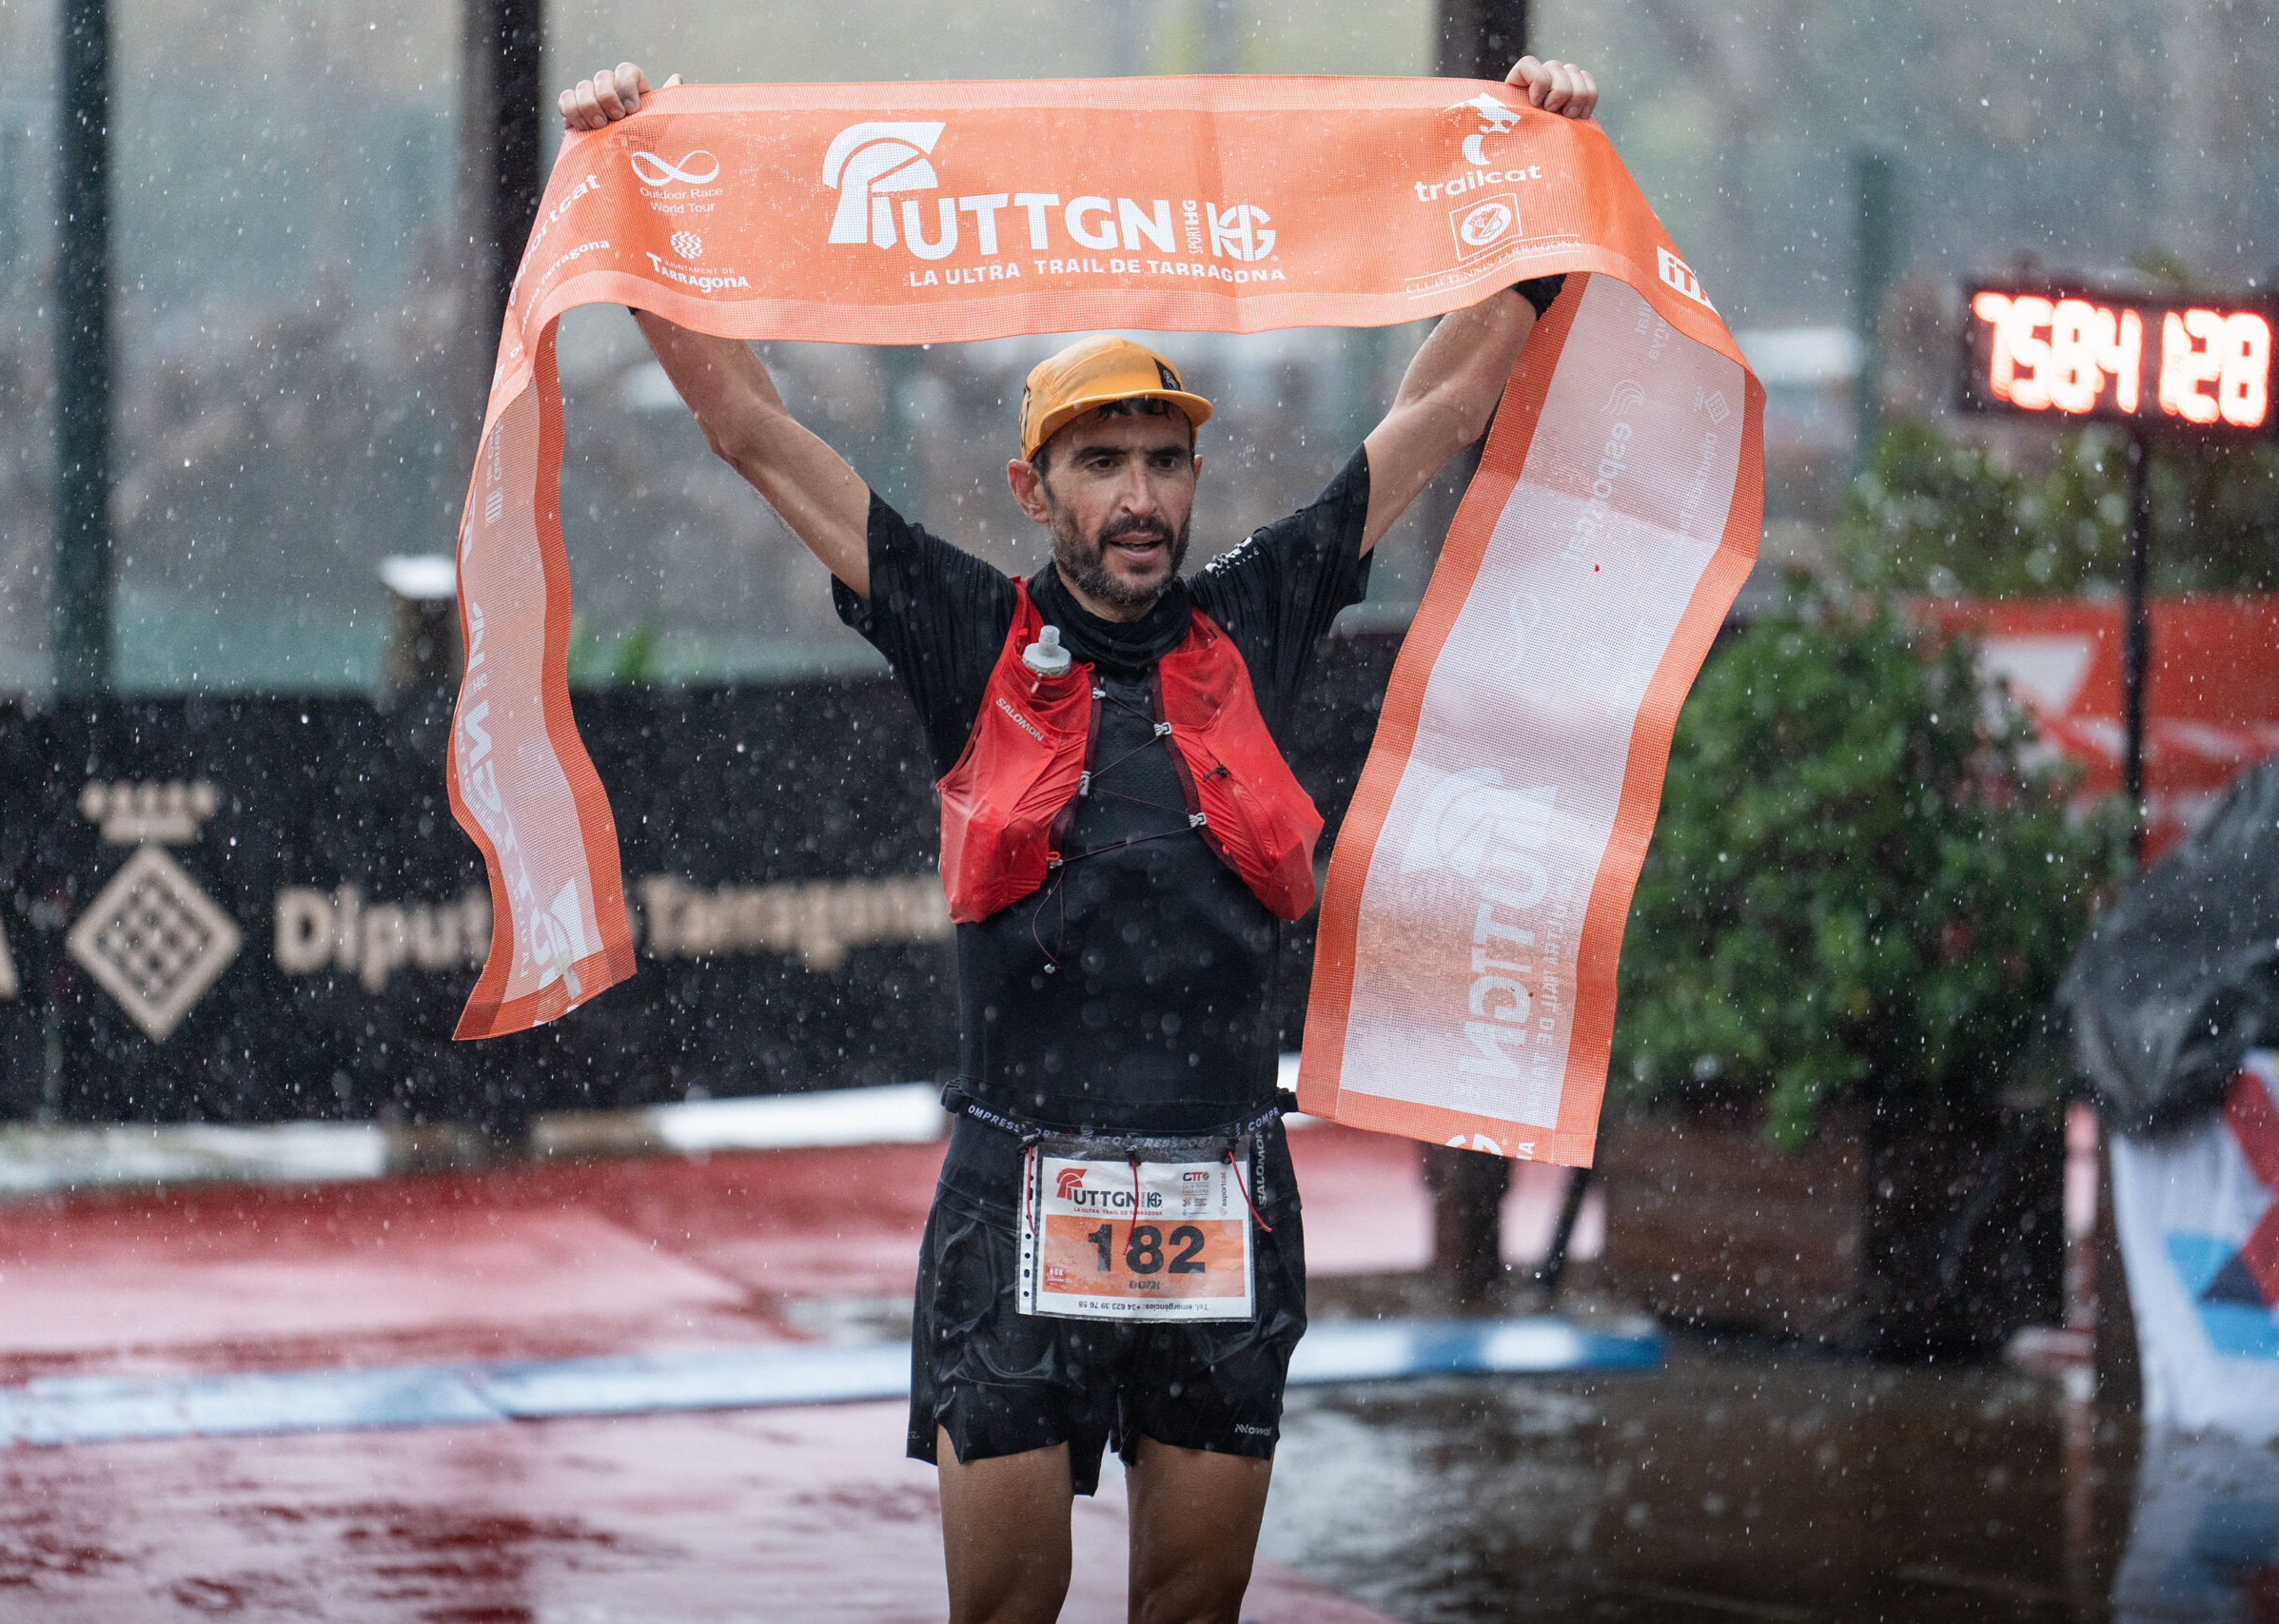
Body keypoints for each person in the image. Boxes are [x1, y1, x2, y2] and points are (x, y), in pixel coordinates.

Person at [560, 52, 1600, 1624]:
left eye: (1164, 460)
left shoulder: (1256, 612)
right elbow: (751, 428)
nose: (1139, 496)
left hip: (1223, 1191)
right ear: (1034, 483)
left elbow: (1445, 403)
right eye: (1101, 462)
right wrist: (633, 188)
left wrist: (1540, 185)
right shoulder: (966, 631)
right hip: (1018, 1197)